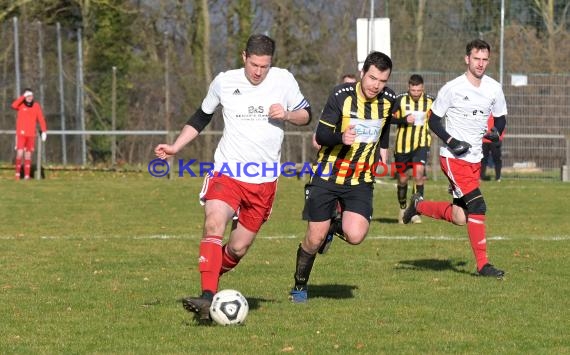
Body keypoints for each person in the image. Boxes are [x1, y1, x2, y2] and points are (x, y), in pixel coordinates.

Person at [154, 34, 311, 322]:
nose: (258, 72)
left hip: (263, 181)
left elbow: (307, 115)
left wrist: (288, 114)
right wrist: (176, 147)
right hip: (227, 171)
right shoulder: (225, 81)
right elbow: (202, 116)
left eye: (264, 66)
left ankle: (211, 277)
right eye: (254, 64)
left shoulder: (283, 80)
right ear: (244, 57)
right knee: (214, 221)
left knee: (238, 248)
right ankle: (207, 297)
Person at [290, 51, 396, 303]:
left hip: (360, 179)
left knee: (356, 235)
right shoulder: (341, 96)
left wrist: (382, 154)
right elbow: (321, 136)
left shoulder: (389, 99)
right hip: (328, 175)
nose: (376, 85)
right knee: (313, 238)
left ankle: (331, 226)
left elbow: (383, 128)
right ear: (362, 74)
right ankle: (300, 285)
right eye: (372, 78)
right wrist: (341, 137)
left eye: (382, 81)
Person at [402, 39, 507, 278]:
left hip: (475, 159)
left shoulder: (494, 88)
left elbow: (500, 117)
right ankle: (483, 265)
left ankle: (417, 206)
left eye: (485, 59)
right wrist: (451, 142)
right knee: (478, 205)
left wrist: (496, 132)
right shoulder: (453, 88)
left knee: (461, 217)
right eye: (476, 59)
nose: (480, 64)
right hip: (452, 158)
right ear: (467, 59)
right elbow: (433, 120)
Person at [391, 74, 435, 224]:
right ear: (408, 88)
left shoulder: (430, 101)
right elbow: (388, 118)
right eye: (413, 90)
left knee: (419, 174)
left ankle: (415, 210)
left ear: (422, 88)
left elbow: (437, 118)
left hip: (421, 144)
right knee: (402, 178)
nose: (415, 93)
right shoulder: (400, 99)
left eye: (418, 90)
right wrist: (403, 119)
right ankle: (403, 207)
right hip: (402, 147)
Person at [311, 73, 357, 150]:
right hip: (335, 153)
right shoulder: (333, 106)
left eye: (353, 85)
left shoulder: (364, 108)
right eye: (346, 84)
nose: (349, 88)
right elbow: (317, 138)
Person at [11, 88, 47, 180]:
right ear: (25, 96)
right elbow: (13, 105)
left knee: (28, 155)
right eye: (28, 96)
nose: (30, 97)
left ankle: (27, 176)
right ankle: (17, 175)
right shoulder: (20, 105)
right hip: (21, 134)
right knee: (19, 153)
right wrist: (23, 96)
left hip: (31, 134)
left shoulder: (36, 106)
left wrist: (44, 131)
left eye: (31, 95)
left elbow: (41, 119)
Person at [480, 114, 504, 181]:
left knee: (497, 159)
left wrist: (500, 138)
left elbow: (501, 126)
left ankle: (498, 177)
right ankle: (481, 176)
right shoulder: (483, 112)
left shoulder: (498, 113)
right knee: (482, 159)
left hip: (495, 140)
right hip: (484, 140)